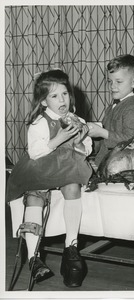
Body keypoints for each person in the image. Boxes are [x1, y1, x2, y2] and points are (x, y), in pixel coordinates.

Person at [6, 69, 93, 287]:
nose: (62, 100)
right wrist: (59, 138)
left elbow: (87, 150)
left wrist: (80, 142)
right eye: (54, 96)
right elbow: (35, 152)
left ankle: (71, 246)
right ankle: (33, 257)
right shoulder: (39, 123)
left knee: (73, 186)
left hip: (67, 167)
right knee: (35, 195)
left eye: (64, 94)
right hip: (41, 166)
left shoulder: (78, 119)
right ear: (44, 101)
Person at [87, 54, 134, 167]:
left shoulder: (132, 108)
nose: (112, 86)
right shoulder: (113, 106)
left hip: (120, 165)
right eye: (110, 81)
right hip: (104, 162)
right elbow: (104, 140)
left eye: (118, 81)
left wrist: (102, 132)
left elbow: (130, 140)